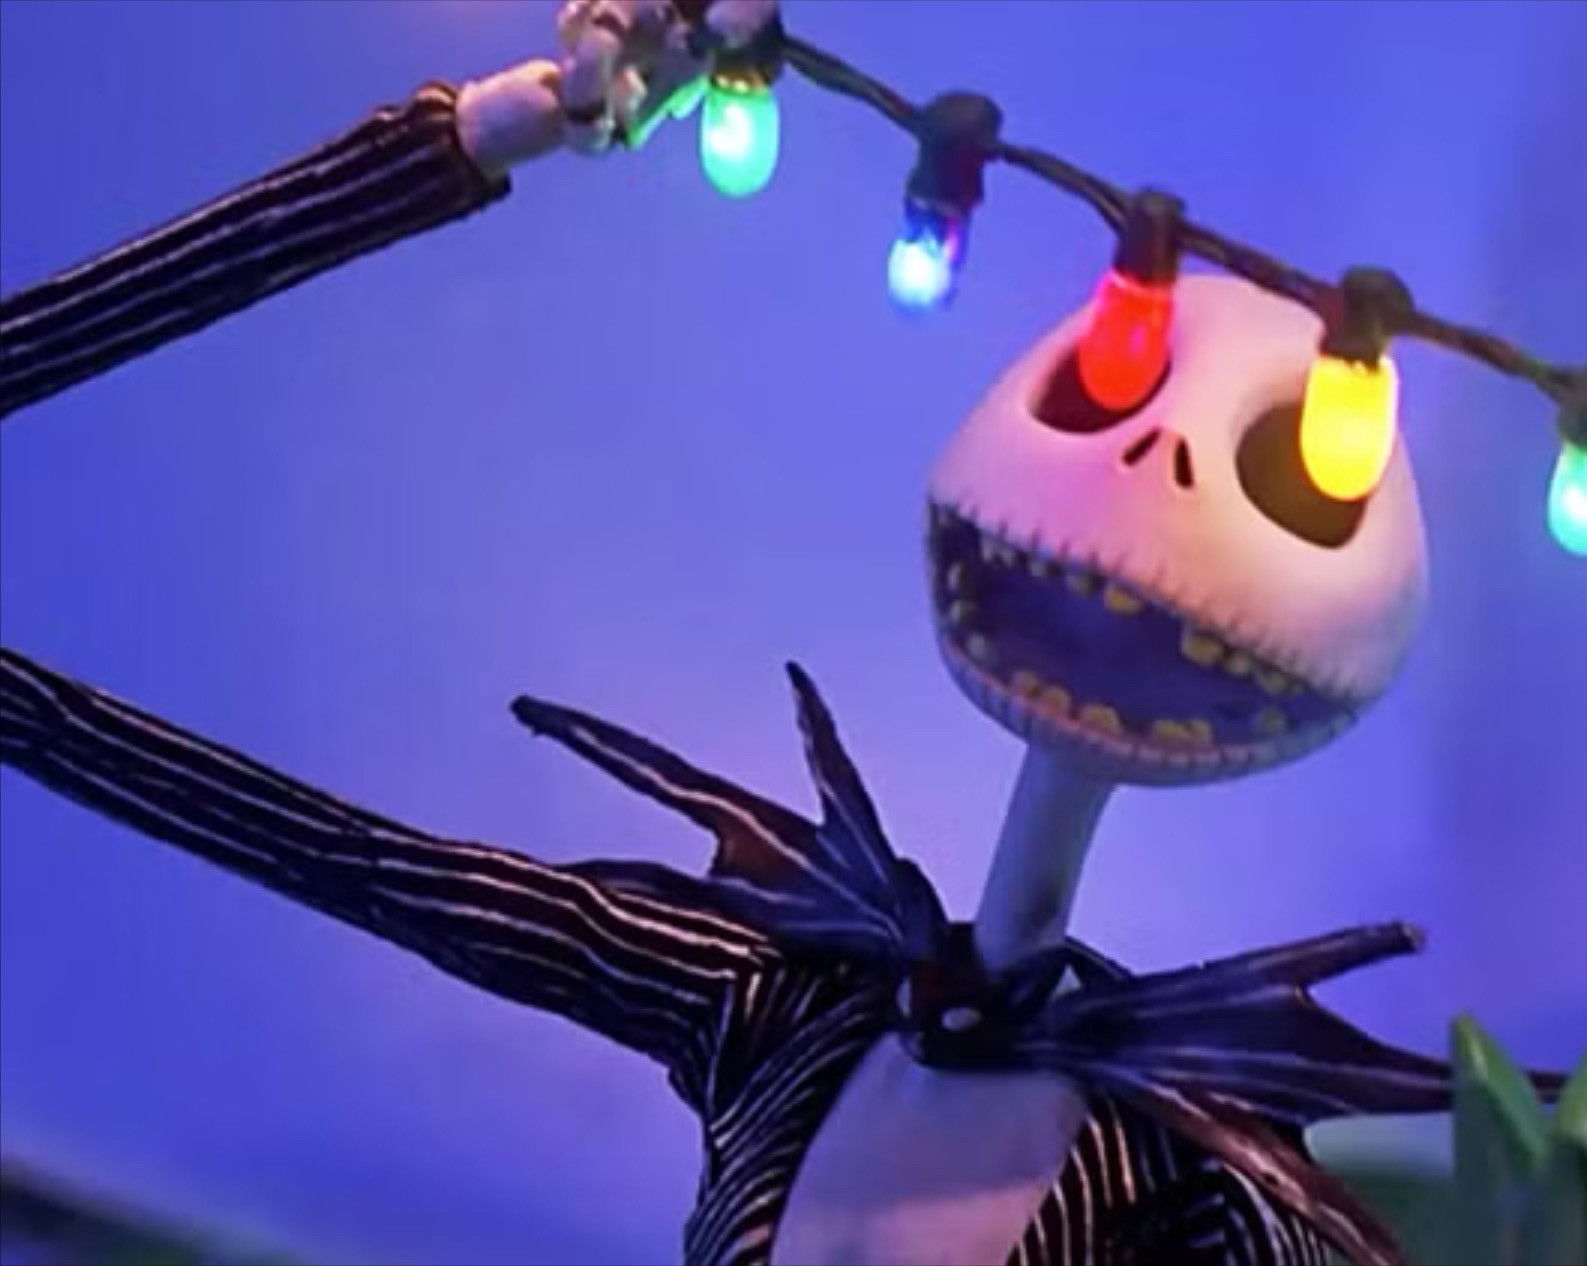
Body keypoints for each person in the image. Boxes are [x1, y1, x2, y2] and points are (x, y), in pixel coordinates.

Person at [0, 4, 1470, 1263]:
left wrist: (489, 131)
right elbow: (371, 869)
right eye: (1111, 384)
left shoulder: (1181, 1178)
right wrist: (473, 136)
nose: (1161, 471)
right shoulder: (779, 1010)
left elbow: (374, 870)